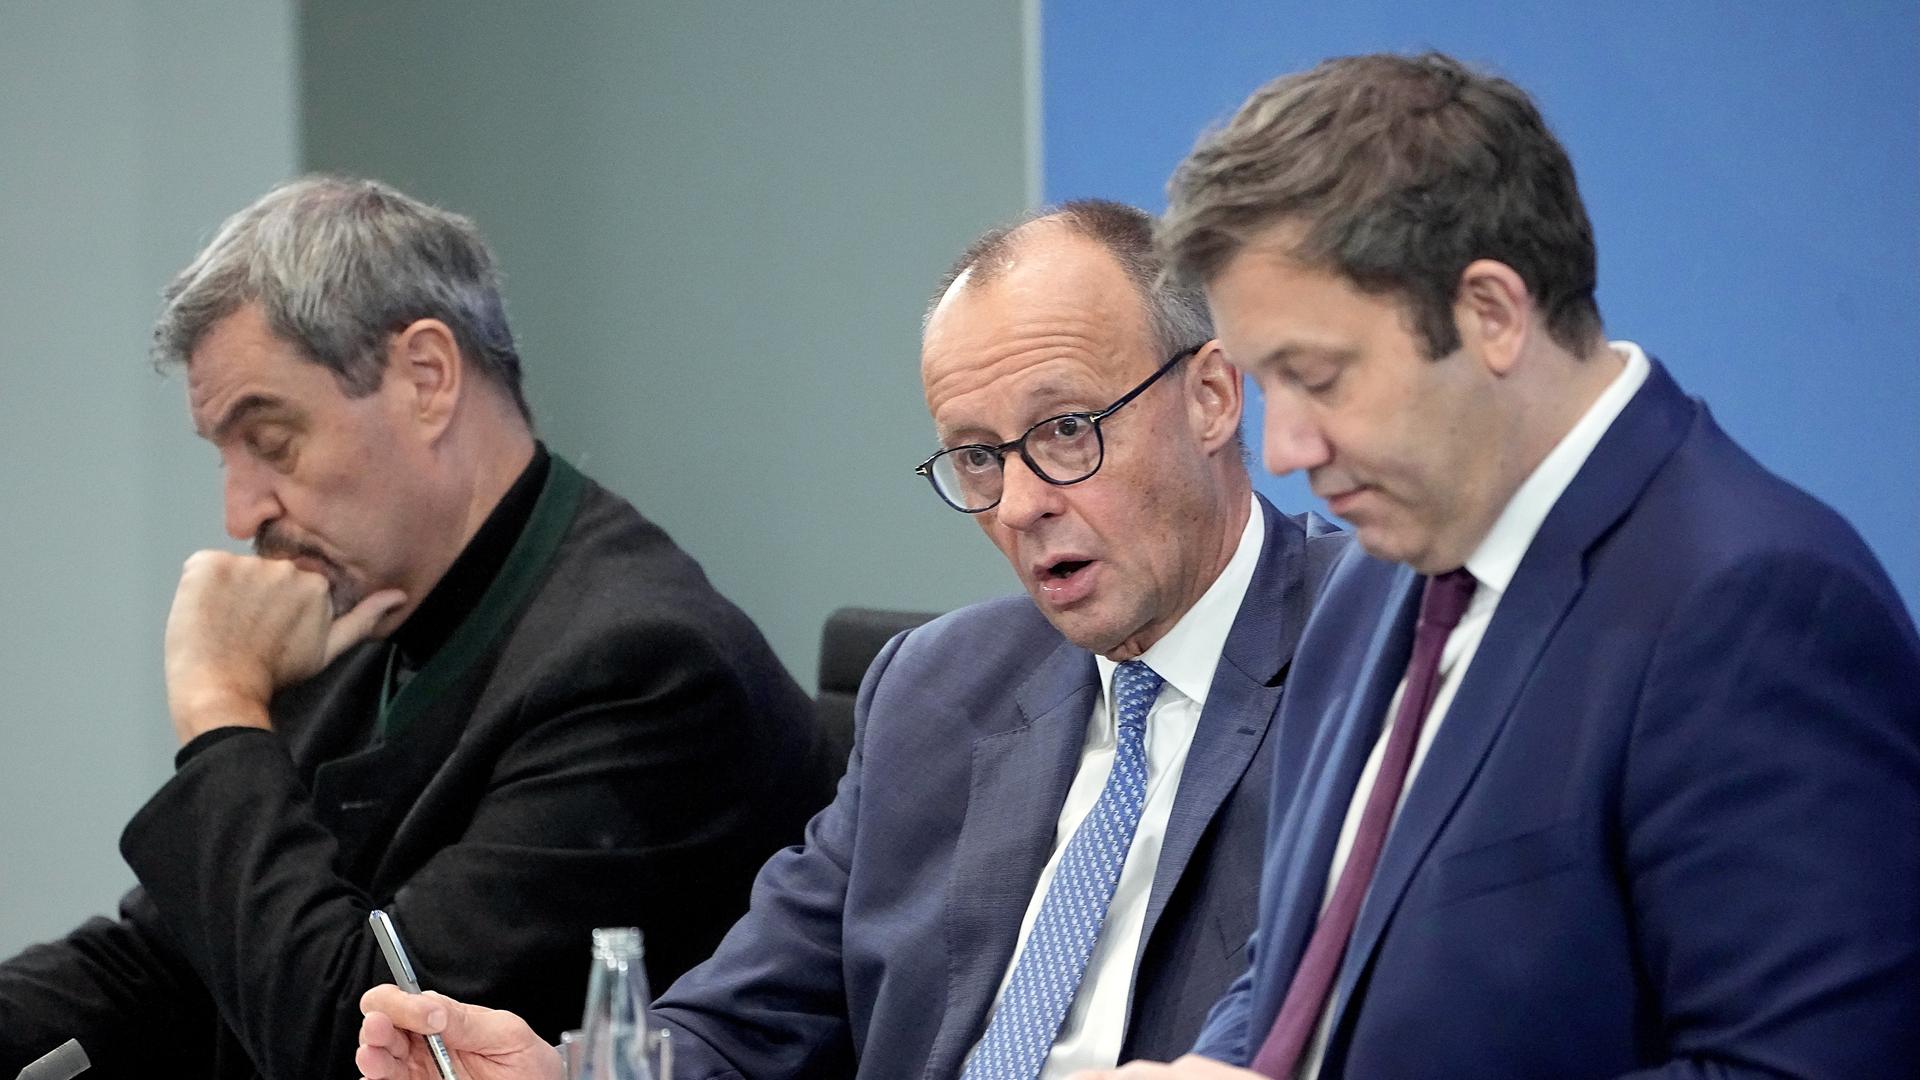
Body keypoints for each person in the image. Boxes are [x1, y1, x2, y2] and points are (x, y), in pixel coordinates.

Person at [356, 200, 1350, 1080]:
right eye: (975, 457)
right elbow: (739, 1031)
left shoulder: (1373, 651)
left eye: (1066, 431)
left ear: (1213, 397)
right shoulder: (936, 690)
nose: (1022, 504)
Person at [1078, 52, 1920, 1080]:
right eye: (1263, 386)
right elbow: (1314, 950)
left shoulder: (1759, 605)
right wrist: (1225, 1066)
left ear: (1491, 313)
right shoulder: (1371, 577)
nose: (1286, 449)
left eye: (1318, 378)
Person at [0, 177, 835, 1080]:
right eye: (225, 457)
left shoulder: (645, 668)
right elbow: (167, 961)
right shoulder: (375, 609)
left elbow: (367, 1055)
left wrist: (220, 708)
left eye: (271, 443)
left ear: (427, 378)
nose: (241, 512)